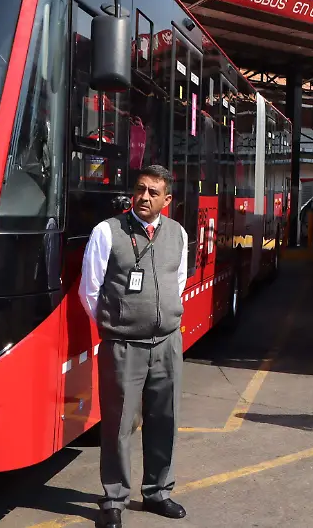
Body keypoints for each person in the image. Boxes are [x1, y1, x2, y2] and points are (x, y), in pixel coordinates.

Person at [79, 165, 189, 527]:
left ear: (167, 200)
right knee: (118, 424)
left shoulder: (178, 234)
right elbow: (89, 290)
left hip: (168, 343)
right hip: (123, 346)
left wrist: (166, 316)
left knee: (164, 419)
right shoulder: (107, 232)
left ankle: (158, 492)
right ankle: (114, 500)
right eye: (140, 189)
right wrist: (118, 323)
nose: (143, 197)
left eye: (153, 192)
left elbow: (179, 281)